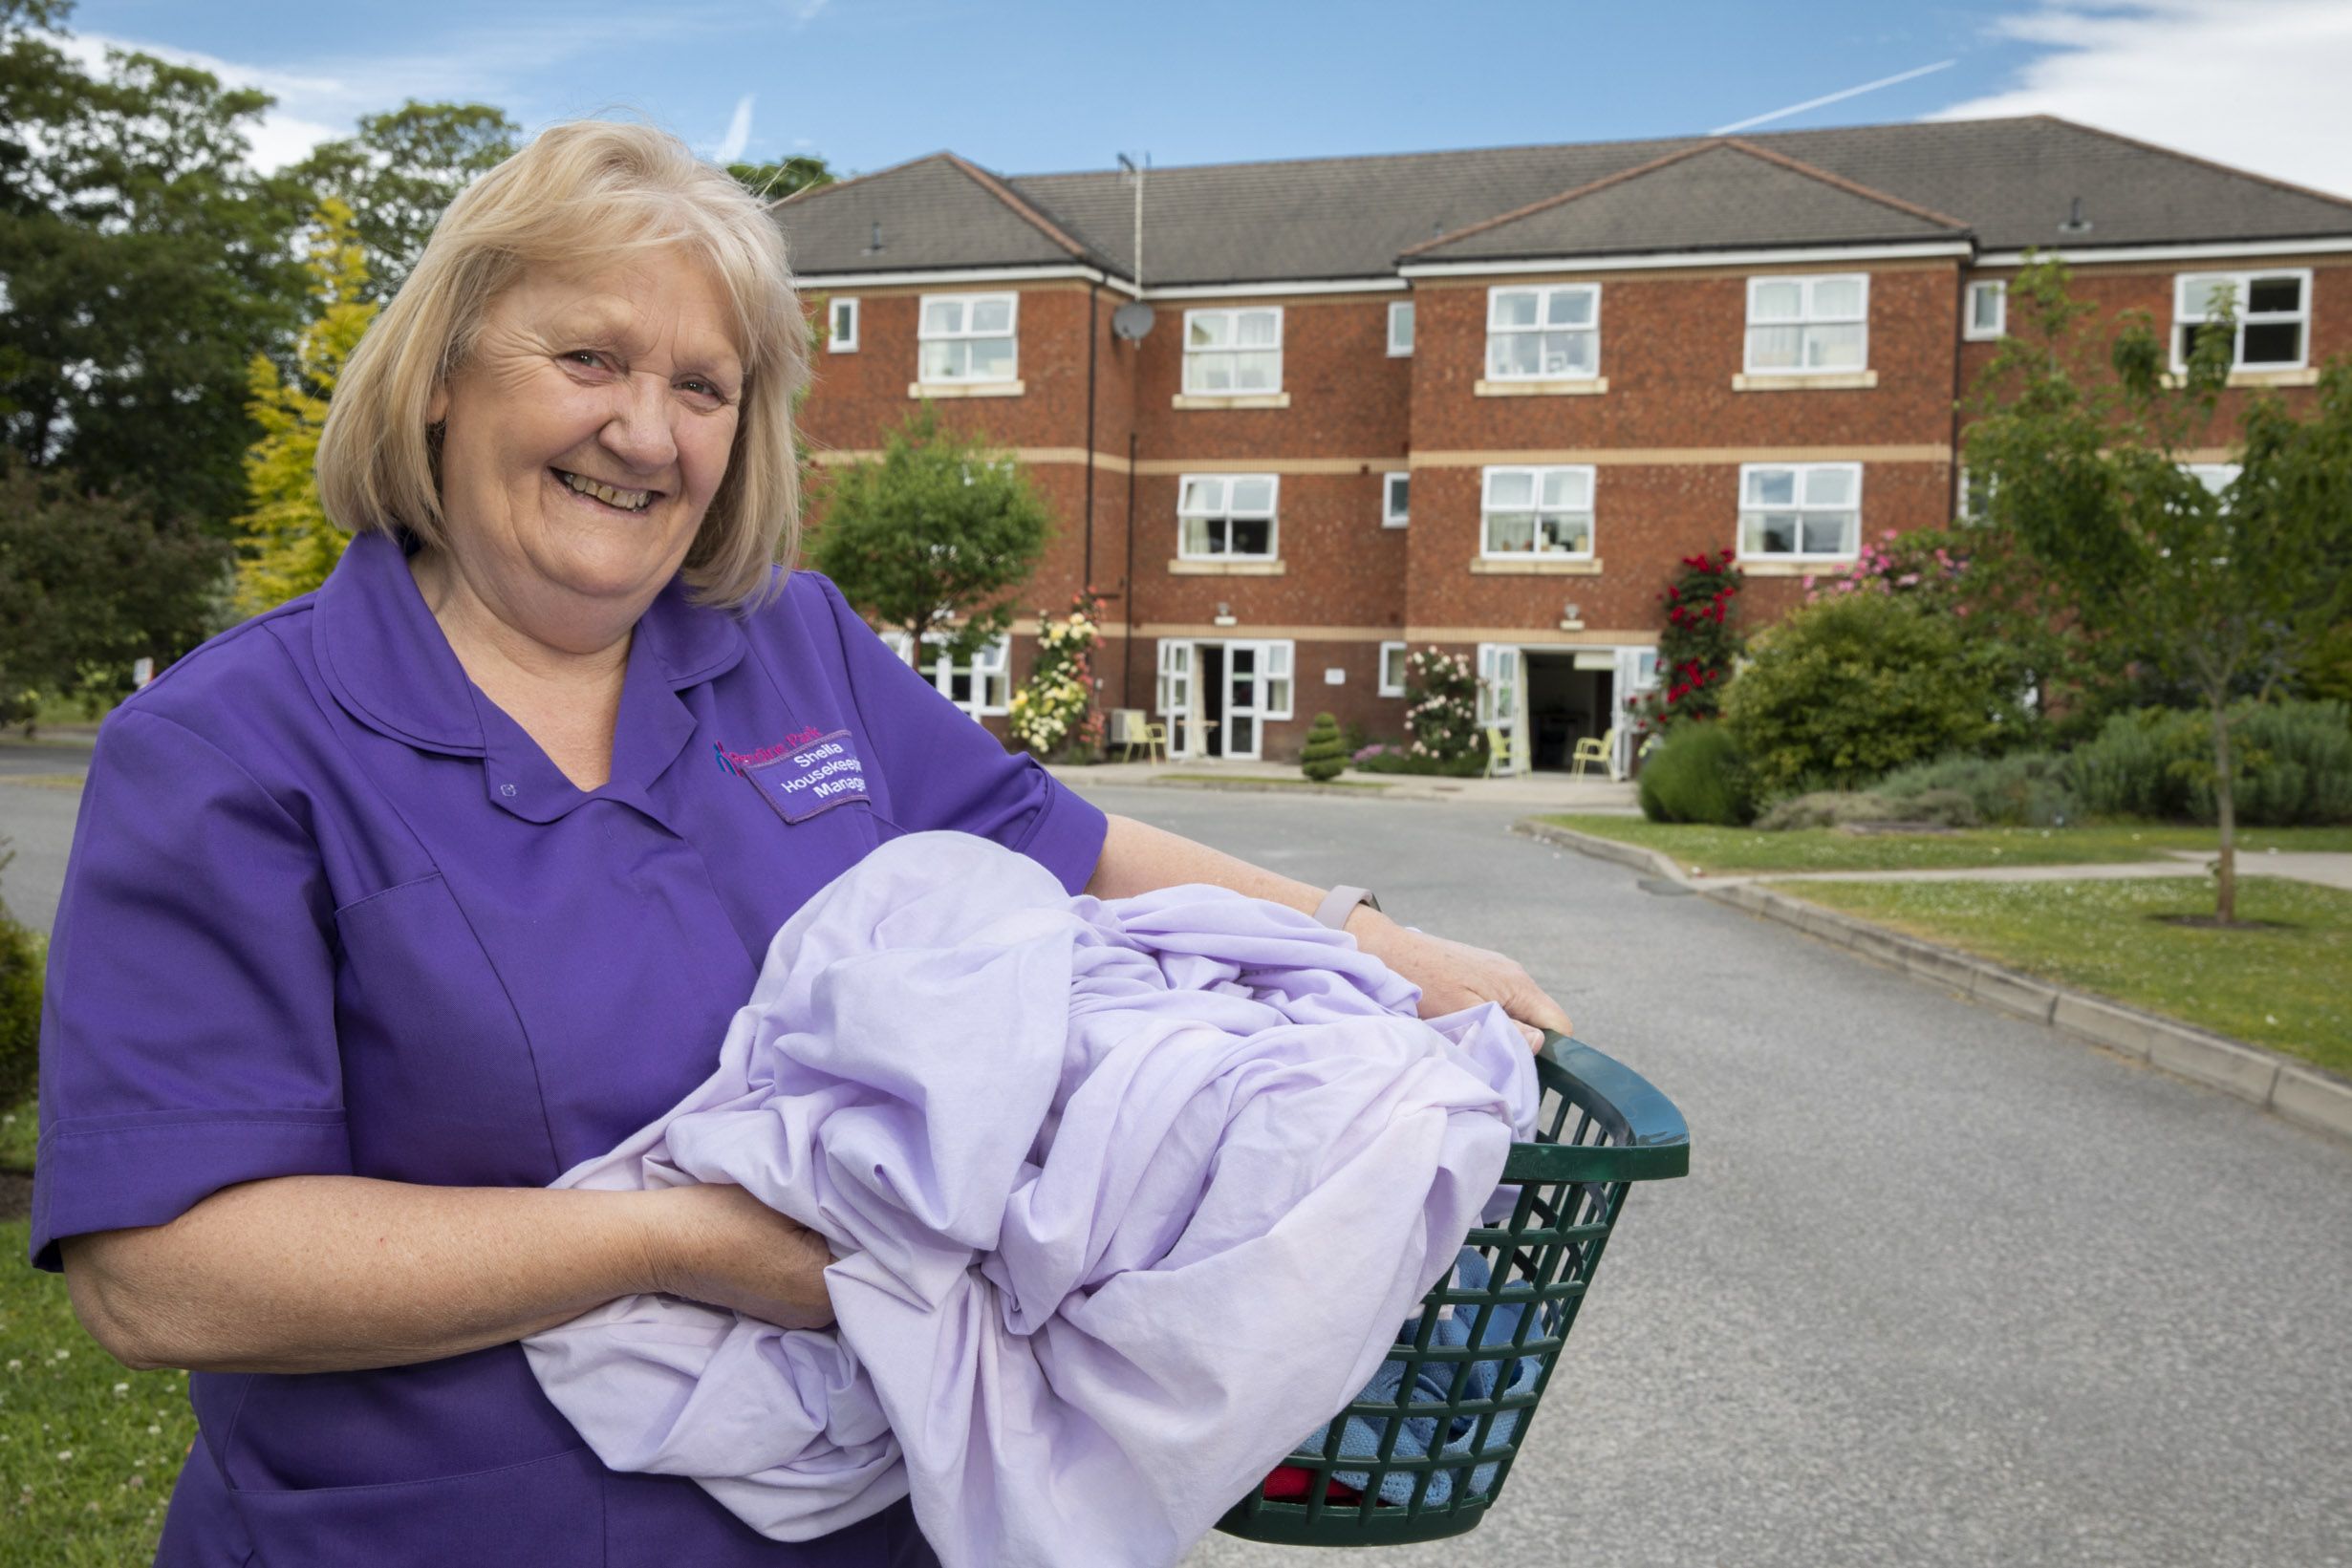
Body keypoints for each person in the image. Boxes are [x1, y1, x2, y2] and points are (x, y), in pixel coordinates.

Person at [32, 120, 1568, 1567]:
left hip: (860, 1516)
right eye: (589, 358)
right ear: (441, 375)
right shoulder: (238, 744)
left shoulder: (788, 643)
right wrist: (673, 1241)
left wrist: (1375, 945)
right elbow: (165, 1272)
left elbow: (1059, 841)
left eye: (704, 387)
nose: (645, 432)